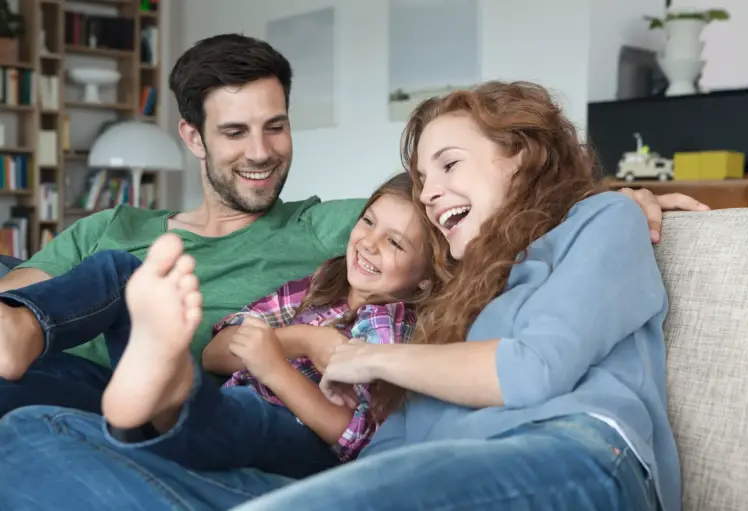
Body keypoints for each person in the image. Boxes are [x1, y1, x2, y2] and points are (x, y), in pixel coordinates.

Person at [0, 80, 680, 511]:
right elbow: (385, 442)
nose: (432, 189)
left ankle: (164, 394)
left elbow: (529, 369)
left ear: (524, 155)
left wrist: (359, 357)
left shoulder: (600, 221)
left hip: (568, 454)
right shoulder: (454, 284)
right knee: (30, 435)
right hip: (396, 471)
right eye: (421, 175)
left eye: (448, 164)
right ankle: (162, 390)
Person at [0, 33, 706, 419]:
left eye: (275, 126)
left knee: (127, 278)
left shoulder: (323, 228)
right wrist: (22, 315)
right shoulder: (115, 222)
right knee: (99, 285)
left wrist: (604, 196)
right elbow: (24, 287)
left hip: (191, 402)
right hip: (68, 377)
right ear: (192, 137)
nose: (261, 151)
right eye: (237, 131)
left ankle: (152, 381)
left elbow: (449, 209)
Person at [0, 173, 439, 478]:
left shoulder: (392, 325)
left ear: (426, 276)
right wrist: (303, 338)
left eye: (396, 243)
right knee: (119, 269)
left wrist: (274, 368)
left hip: (292, 440)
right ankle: (27, 327)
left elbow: (356, 438)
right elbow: (217, 350)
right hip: (225, 399)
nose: (369, 243)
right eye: (367, 221)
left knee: (242, 414)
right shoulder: (319, 283)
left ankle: (159, 404)